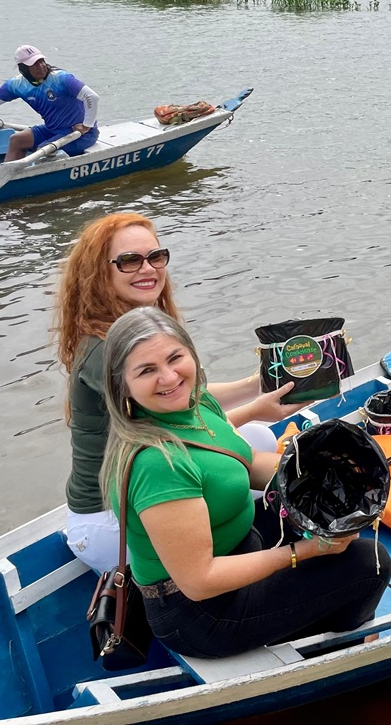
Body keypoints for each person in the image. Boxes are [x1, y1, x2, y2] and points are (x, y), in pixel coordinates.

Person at [99, 307, 391, 659]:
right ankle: (338, 642)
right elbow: (199, 579)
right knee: (369, 562)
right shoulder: (157, 464)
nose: (169, 377)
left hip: (239, 547)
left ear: (191, 353)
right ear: (123, 387)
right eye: (147, 371)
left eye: (175, 357)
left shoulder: (195, 403)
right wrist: (306, 551)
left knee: (329, 508)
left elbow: (247, 461)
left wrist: (330, 478)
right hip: (203, 613)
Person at [55, 212, 296, 573]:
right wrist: (253, 409)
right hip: (112, 517)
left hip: (151, 471)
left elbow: (193, 400)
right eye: (129, 261)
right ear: (99, 272)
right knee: (245, 442)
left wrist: (257, 386)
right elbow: (175, 439)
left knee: (258, 438)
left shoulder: (139, 327)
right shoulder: (107, 350)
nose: (148, 268)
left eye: (155, 257)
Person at [0, 45, 99, 161]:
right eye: (34, 64)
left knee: (42, 149)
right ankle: (7, 180)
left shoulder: (61, 78)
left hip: (79, 134)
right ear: (23, 68)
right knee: (16, 140)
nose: (41, 66)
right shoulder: (17, 85)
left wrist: (87, 125)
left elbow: (92, 97)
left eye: (41, 61)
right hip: (52, 129)